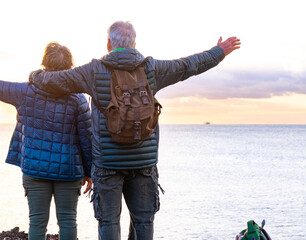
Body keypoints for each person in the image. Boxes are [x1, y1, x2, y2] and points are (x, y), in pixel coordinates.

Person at [29, 20, 241, 240]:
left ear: (109, 43)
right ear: (134, 43)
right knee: (143, 222)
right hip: (143, 163)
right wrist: (219, 51)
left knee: (109, 222)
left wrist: (35, 75)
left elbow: (52, 81)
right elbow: (189, 65)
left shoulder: (92, 71)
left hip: (107, 164)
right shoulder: (152, 69)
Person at [0, 42, 93, 240]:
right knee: (68, 220)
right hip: (69, 170)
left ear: (44, 62)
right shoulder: (78, 99)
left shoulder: (25, 91)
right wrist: (89, 172)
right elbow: (87, 138)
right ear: (69, 66)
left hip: (34, 168)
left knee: (37, 222)